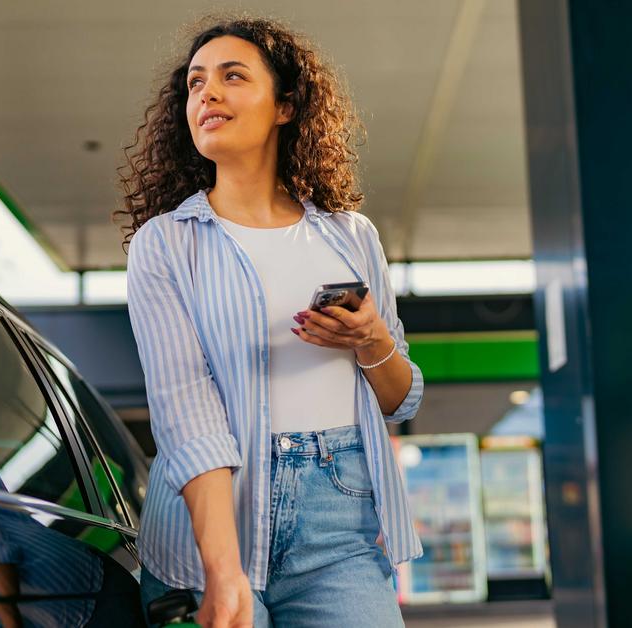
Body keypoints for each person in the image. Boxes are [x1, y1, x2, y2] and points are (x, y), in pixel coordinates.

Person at [115, 15, 424, 628]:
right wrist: (223, 573)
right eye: (196, 82)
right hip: (209, 532)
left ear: (286, 105)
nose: (208, 92)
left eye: (233, 76)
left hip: (341, 528)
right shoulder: (166, 245)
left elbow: (401, 400)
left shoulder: (351, 237)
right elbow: (186, 414)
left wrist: (372, 339)